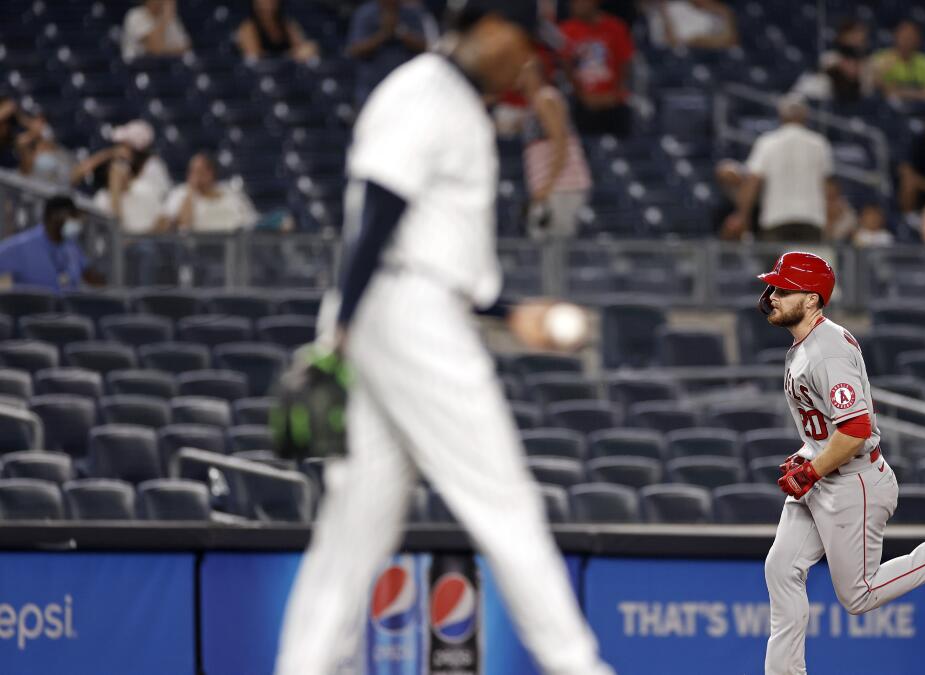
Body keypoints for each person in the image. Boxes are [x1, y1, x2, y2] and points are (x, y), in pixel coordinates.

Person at [274, 3, 613, 675]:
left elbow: (427, 242)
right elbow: (378, 207)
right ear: (488, 25)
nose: (528, 61)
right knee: (506, 501)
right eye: (521, 43)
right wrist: (341, 330)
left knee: (355, 532)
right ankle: (580, 666)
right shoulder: (425, 91)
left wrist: (510, 310)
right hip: (404, 313)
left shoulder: (453, 101)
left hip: (398, 305)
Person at [756, 251, 925, 675]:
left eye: (785, 289)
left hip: (852, 483)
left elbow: (855, 430)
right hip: (827, 476)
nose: (773, 295)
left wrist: (813, 468)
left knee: (858, 596)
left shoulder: (827, 350)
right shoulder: (807, 344)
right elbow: (828, 425)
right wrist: (809, 454)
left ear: (813, 299)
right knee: (781, 568)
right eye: (774, 287)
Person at [723, 95, 834, 243]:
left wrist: (742, 216)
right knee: (808, 266)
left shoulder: (767, 143)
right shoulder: (819, 143)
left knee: (778, 265)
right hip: (811, 219)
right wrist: (830, 221)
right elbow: (828, 187)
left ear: (781, 115)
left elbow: (753, 181)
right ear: (805, 115)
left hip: (776, 219)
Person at [520, 58, 592, 239]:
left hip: (561, 187)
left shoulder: (546, 98)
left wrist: (547, 187)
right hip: (552, 188)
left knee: (556, 250)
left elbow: (561, 143)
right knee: (545, 249)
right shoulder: (534, 104)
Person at [80, 120, 173, 236]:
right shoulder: (103, 197)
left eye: (125, 145)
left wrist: (143, 239)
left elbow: (163, 219)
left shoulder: (151, 173)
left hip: (149, 239)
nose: (120, 150)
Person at [558, 0, 635, 136]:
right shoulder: (566, 30)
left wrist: (615, 95)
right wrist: (583, 96)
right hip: (583, 103)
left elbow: (625, 65)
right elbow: (566, 67)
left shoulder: (615, 27)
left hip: (613, 102)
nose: (575, 6)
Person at [0, 195, 103, 293]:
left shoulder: (71, 245)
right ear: (55, 216)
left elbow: (89, 275)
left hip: (67, 309)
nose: (74, 222)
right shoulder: (23, 245)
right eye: (71, 216)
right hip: (32, 308)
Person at [346, 0, 439, 106]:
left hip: (406, 89)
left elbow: (425, 47)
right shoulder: (365, 13)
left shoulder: (411, 13)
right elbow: (354, 50)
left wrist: (400, 32)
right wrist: (383, 35)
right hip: (371, 90)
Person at [157, 152, 258, 233]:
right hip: (201, 249)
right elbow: (184, 226)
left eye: (200, 171)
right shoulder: (181, 193)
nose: (196, 176)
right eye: (193, 171)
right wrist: (191, 191)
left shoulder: (231, 192)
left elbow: (250, 221)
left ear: (212, 173)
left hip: (234, 247)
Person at [871, 20, 925, 100]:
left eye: (911, 37)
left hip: (919, 106)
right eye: (904, 36)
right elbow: (875, 85)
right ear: (896, 36)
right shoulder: (883, 57)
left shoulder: (924, 61)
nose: (907, 41)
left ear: (918, 40)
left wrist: (902, 92)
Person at [236, 0, 319, 62]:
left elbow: (301, 48)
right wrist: (293, 56)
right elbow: (256, 61)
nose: (268, 3)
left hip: (290, 76)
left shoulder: (287, 25)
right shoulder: (248, 28)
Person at [648, 0, 738, 51]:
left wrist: (664, 14)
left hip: (653, 31)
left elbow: (671, 40)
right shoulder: (693, 7)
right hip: (652, 9)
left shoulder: (694, 38)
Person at [13, 114, 73, 187]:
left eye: (41, 123)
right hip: (26, 185)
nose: (36, 125)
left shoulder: (56, 150)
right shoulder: (28, 145)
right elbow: (25, 167)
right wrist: (33, 134)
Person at [121, 0, 191, 62]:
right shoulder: (135, 15)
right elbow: (155, 49)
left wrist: (166, 52)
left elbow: (185, 48)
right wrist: (164, 20)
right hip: (138, 69)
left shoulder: (170, 17)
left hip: (165, 68)